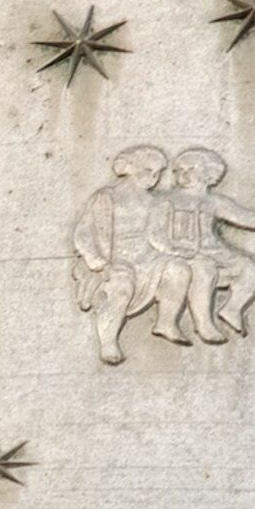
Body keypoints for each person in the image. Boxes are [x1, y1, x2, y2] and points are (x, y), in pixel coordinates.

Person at [146, 149, 255, 345]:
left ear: (209, 174)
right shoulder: (166, 200)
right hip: (181, 253)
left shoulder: (214, 201)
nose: (183, 174)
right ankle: (203, 324)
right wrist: (172, 249)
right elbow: (155, 232)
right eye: (178, 170)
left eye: (191, 169)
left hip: (214, 252)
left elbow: (246, 218)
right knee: (204, 271)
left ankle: (232, 309)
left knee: (253, 269)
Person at [69, 147, 171, 363]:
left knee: (177, 270)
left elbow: (159, 236)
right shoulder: (107, 197)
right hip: (114, 259)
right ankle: (108, 341)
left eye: (157, 173)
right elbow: (84, 234)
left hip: (147, 258)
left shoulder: (154, 203)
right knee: (122, 286)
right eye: (148, 170)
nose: (153, 178)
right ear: (130, 167)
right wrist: (97, 262)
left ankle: (167, 322)